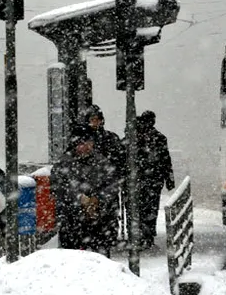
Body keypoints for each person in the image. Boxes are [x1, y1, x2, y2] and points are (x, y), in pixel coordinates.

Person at [51, 125, 119, 256]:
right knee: (71, 259)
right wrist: (79, 198)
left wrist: (98, 199)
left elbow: (112, 185)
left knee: (101, 260)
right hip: (72, 221)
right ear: (75, 144)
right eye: (82, 143)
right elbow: (57, 187)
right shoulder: (63, 163)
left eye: (89, 142)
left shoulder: (102, 161)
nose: (86, 146)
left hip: (99, 221)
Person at [83, 104, 127, 245]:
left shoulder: (111, 138)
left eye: (97, 119)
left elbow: (120, 163)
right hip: (90, 187)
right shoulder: (82, 139)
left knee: (107, 219)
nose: (95, 122)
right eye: (92, 119)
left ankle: (105, 240)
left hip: (107, 186)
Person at [134, 110, 175, 249]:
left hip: (143, 179)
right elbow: (166, 160)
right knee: (149, 209)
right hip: (151, 180)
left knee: (140, 209)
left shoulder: (139, 137)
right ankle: (147, 235)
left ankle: (143, 234)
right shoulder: (158, 138)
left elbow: (165, 160)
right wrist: (169, 179)